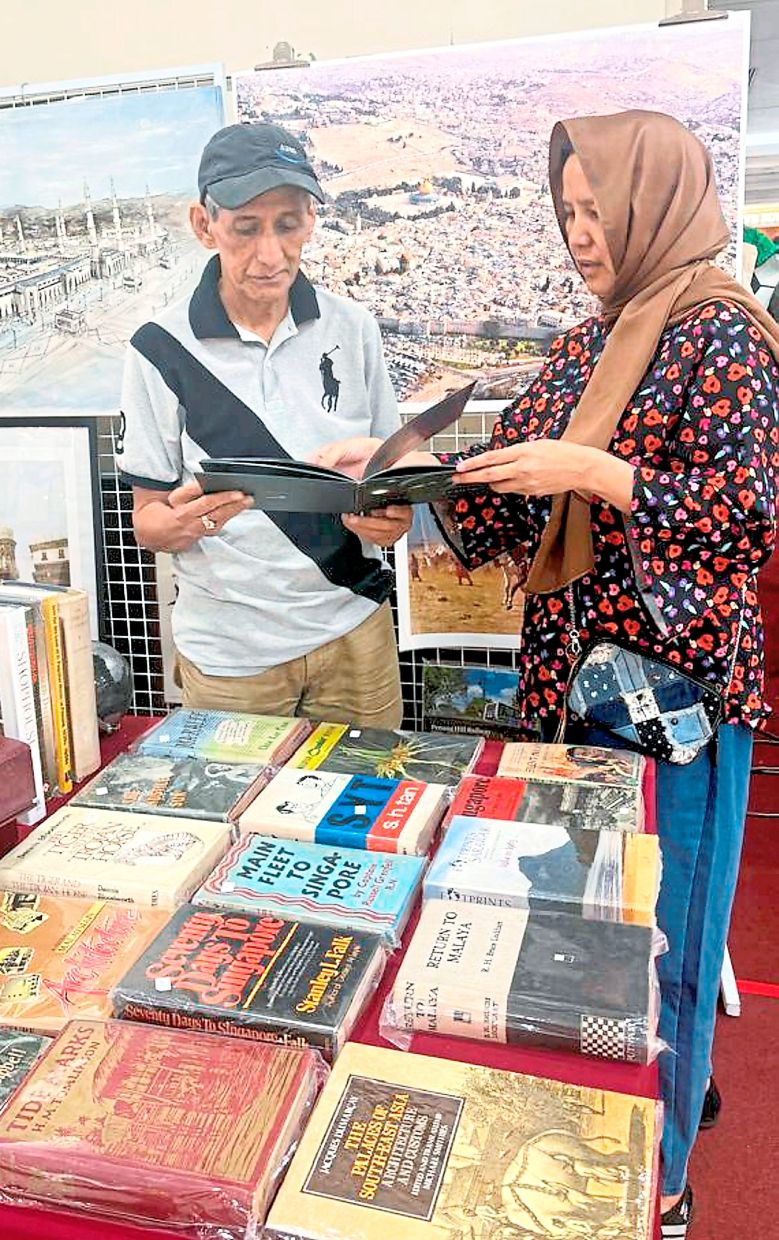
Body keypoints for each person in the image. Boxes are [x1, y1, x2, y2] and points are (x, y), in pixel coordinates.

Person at [315, 110, 779, 1237]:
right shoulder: (586, 346)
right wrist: (398, 496)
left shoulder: (727, 336)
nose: (579, 234)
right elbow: (492, 493)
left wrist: (601, 472)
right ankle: (652, 1101)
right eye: (565, 213)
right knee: (594, 935)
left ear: (652, 201)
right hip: (569, 700)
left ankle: (659, 1180)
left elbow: (746, 520)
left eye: (595, 211)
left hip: (676, 709)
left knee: (666, 938)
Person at [115, 122, 411, 726]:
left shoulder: (353, 329)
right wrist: (178, 524)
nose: (270, 255)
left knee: (367, 809)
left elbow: (391, 474)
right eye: (246, 229)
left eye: (288, 225)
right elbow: (147, 519)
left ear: (310, 222)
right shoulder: (157, 350)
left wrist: (392, 517)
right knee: (236, 812)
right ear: (206, 226)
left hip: (357, 631)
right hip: (231, 657)